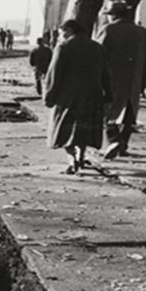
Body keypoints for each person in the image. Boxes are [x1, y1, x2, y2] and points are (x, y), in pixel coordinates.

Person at [45, 19, 110, 174]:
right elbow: (105, 74)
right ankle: (80, 155)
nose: (60, 36)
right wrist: (108, 96)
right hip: (93, 96)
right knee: (83, 130)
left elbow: (54, 74)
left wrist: (49, 96)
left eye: (61, 33)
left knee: (64, 130)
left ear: (68, 31)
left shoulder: (63, 47)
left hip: (68, 97)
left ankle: (72, 158)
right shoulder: (97, 47)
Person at [96, 0, 146, 159]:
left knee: (108, 113)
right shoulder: (143, 32)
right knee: (129, 113)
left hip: (111, 79)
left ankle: (113, 140)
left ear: (113, 16)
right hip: (134, 80)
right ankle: (123, 144)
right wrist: (144, 82)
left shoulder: (108, 30)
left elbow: (98, 56)